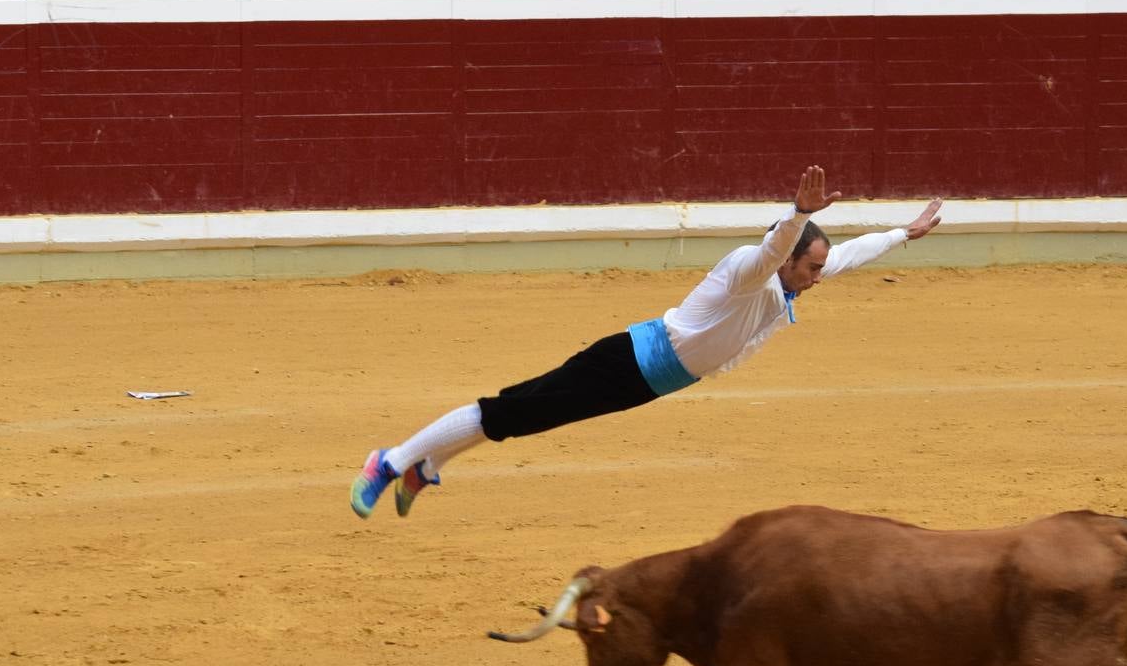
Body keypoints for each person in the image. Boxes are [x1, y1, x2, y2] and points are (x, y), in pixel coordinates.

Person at [351, 166, 944, 519]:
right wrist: (795, 213)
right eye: (811, 267)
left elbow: (850, 253)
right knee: (510, 411)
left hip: (647, 382)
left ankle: (425, 467)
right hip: (628, 362)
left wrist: (905, 234)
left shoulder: (794, 277)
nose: (820, 277)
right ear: (788, 257)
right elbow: (770, 250)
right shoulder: (748, 269)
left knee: (523, 418)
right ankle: (393, 460)